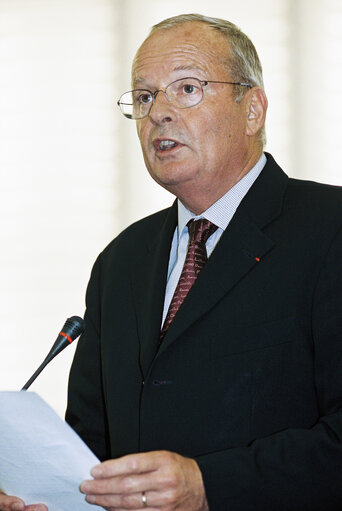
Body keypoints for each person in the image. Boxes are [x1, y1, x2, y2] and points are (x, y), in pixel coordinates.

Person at [2, 12, 342, 511]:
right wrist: (42, 494)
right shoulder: (120, 262)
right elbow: (89, 450)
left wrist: (209, 485)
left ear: (253, 109)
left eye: (186, 89)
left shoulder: (330, 229)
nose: (158, 111)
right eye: (144, 96)